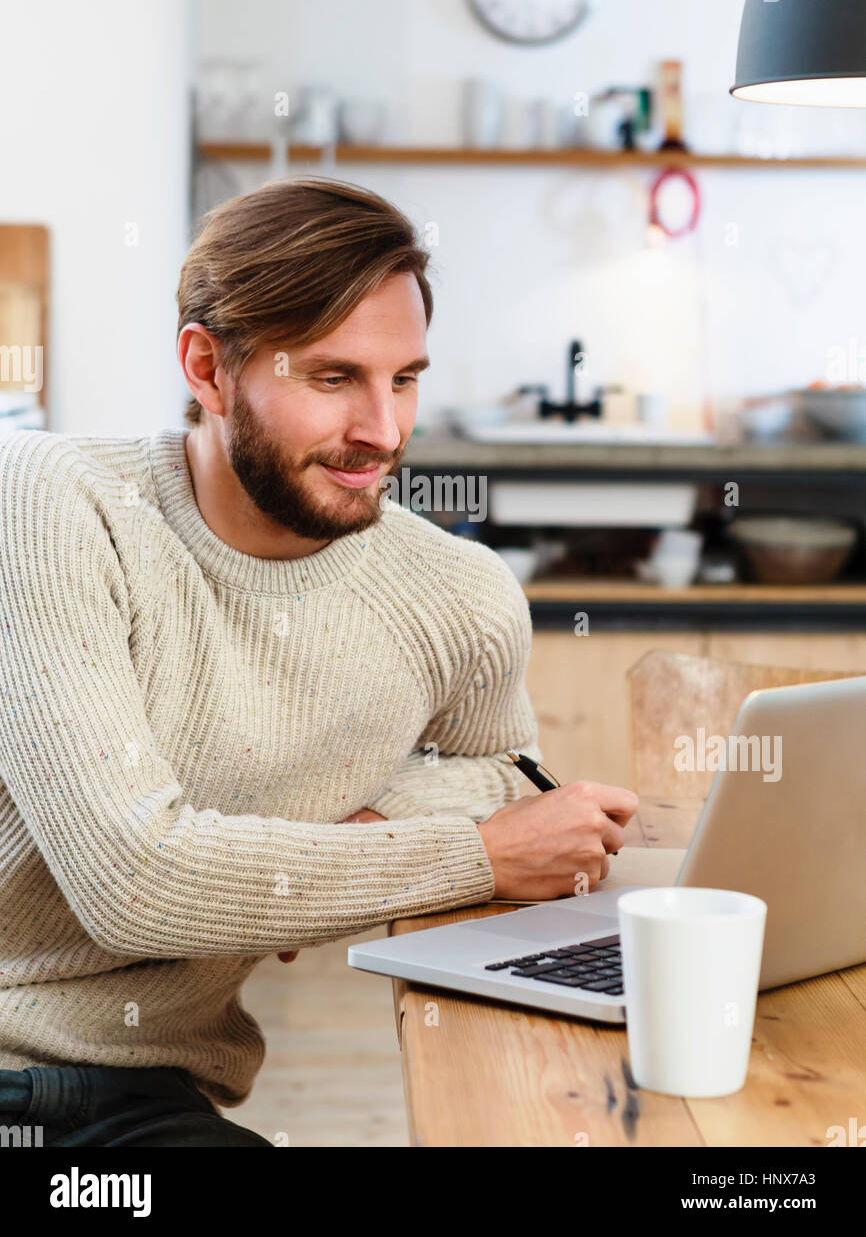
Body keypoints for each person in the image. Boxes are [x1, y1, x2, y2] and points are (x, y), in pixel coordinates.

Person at [0, 176, 637, 1146]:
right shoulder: (53, 504)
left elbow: (509, 787)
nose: (382, 433)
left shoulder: (458, 597)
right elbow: (133, 882)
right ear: (207, 370)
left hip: (144, 1100)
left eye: (405, 379)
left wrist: (352, 839)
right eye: (333, 378)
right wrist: (466, 854)